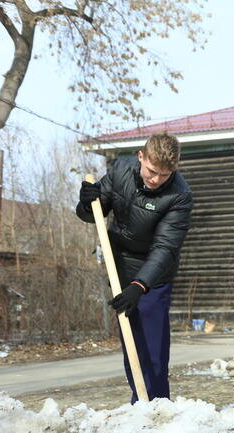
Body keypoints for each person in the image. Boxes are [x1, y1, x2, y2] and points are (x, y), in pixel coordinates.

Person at [76, 132, 193, 404]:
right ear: (141, 157)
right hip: (120, 269)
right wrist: (86, 201)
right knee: (132, 345)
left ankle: (158, 406)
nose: (155, 180)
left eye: (164, 175)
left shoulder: (180, 195)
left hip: (154, 277)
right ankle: (139, 401)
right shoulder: (120, 170)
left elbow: (165, 248)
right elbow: (93, 213)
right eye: (152, 171)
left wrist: (140, 286)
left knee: (153, 350)